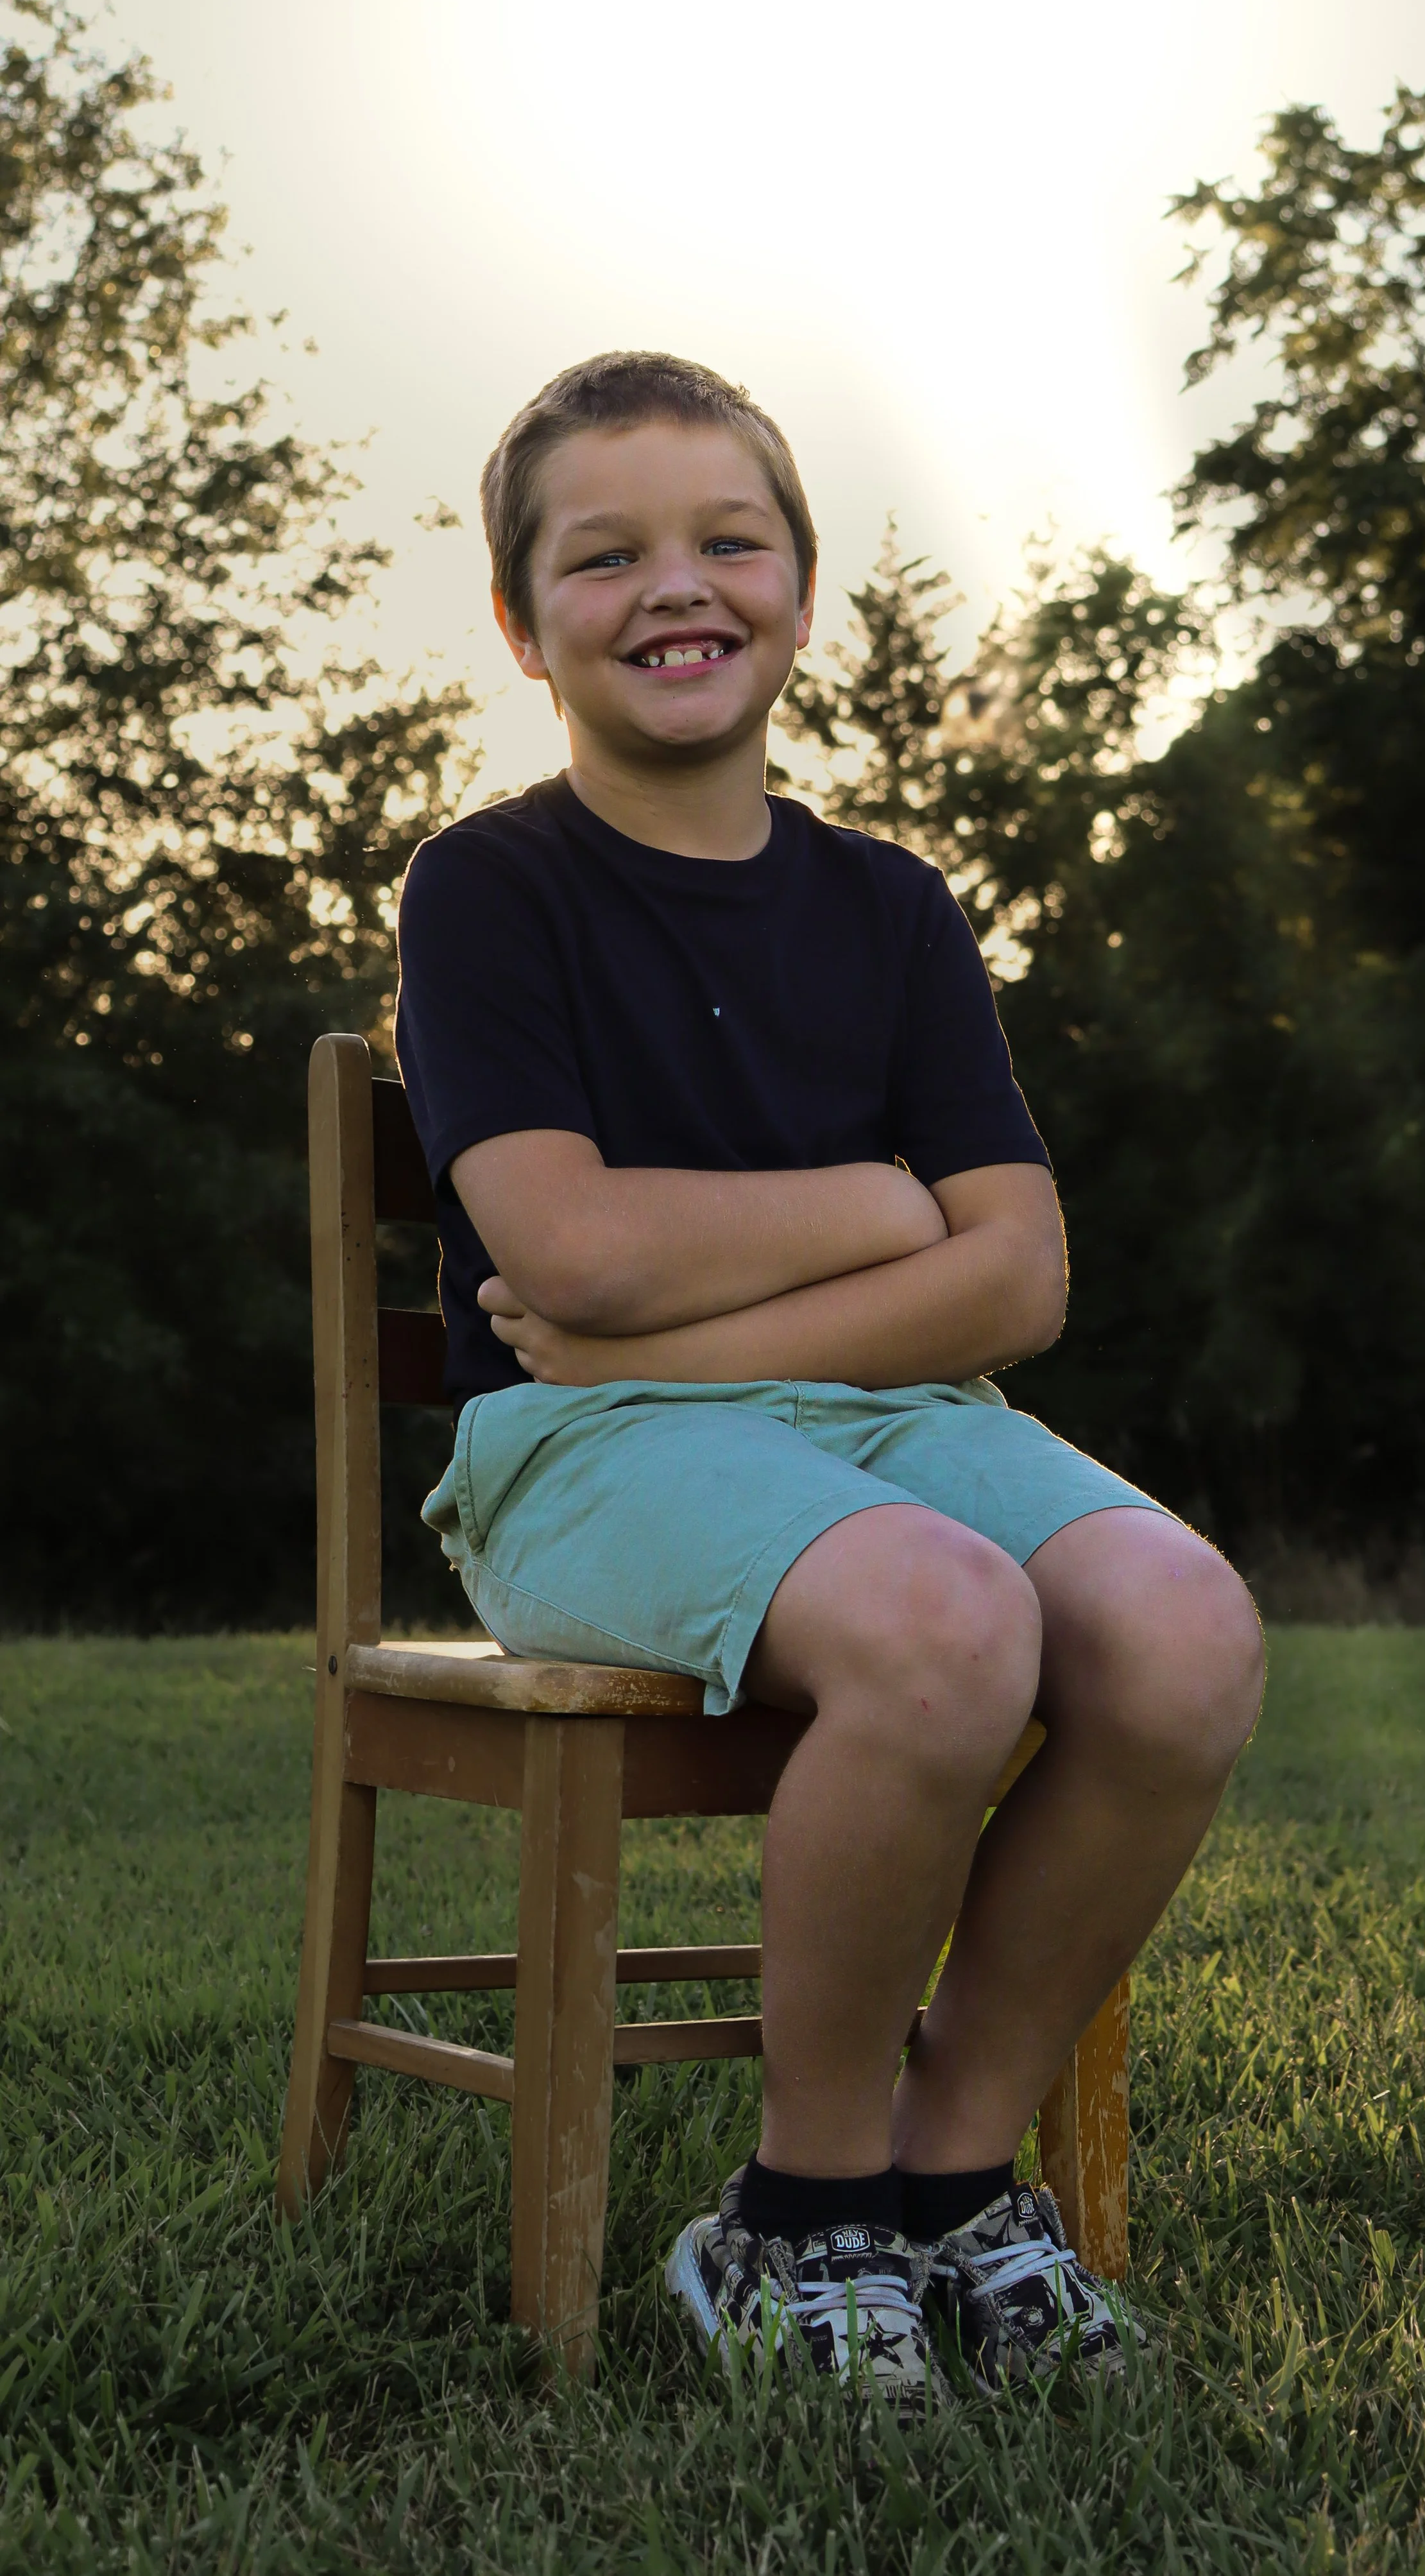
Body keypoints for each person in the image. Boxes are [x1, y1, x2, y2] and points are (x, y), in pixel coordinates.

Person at [394, 352, 1265, 2409]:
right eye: (602, 556)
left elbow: (1017, 1278)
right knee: (944, 1622)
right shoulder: (489, 883)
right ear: (525, 624)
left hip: (897, 1429)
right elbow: (568, 1256)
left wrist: (757, 1279)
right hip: (576, 1450)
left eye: (727, 540)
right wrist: (881, 1214)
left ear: (799, 587)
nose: (673, 587)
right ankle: (793, 2216)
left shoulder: (888, 905)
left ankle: (956, 2175)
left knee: (1181, 1628)